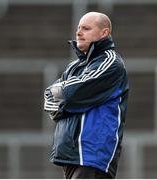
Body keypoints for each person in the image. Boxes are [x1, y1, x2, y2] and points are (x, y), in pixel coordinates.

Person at [44, 12, 129, 179]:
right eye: (78, 28)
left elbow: (70, 94)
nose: (78, 32)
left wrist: (64, 99)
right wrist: (64, 99)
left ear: (104, 33)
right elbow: (49, 96)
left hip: (92, 154)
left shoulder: (111, 63)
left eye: (86, 28)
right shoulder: (74, 67)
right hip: (72, 153)